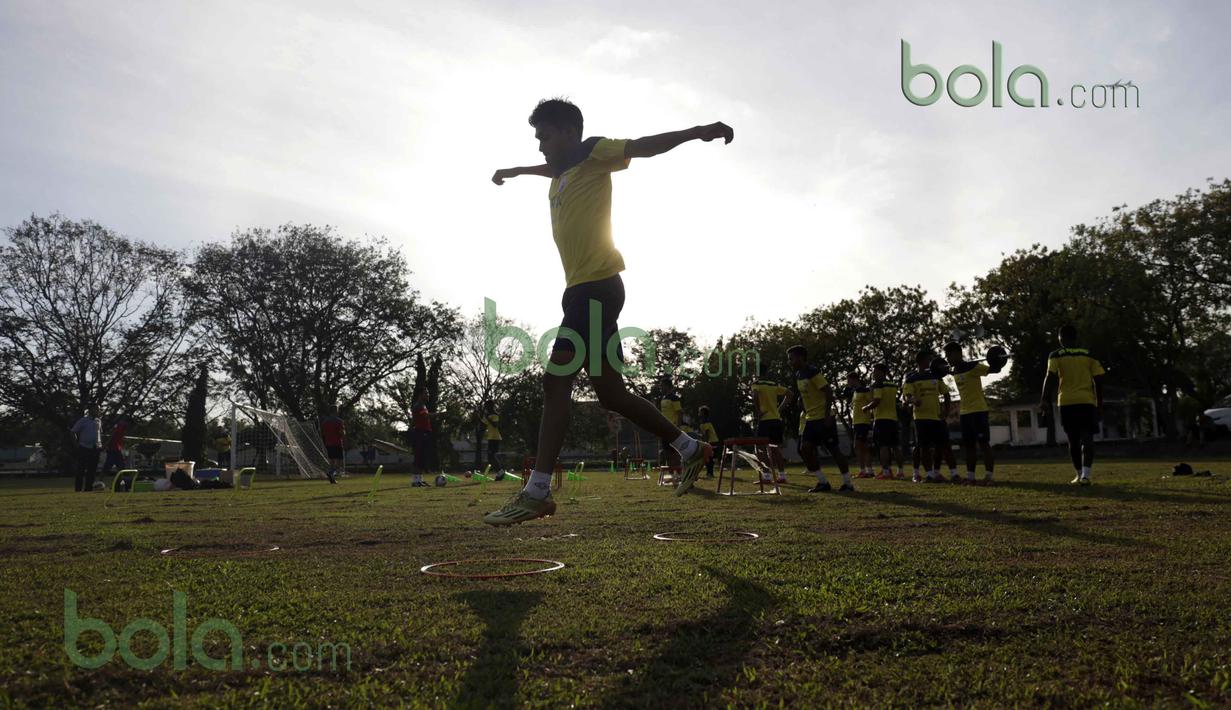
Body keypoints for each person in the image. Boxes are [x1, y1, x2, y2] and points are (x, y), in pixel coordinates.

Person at [483, 98, 729, 525]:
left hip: (595, 287)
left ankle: (537, 490)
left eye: (544, 135)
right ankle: (691, 448)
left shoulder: (594, 152)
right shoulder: (562, 170)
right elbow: (549, 169)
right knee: (610, 394)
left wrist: (695, 132)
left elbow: (642, 145)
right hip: (583, 290)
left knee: (555, 380)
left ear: (567, 132)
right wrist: (517, 171)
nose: (540, 145)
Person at [1039, 324, 1105, 485]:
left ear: (1061, 338)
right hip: (1087, 401)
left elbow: (1050, 377)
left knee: (1073, 440)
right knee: (1087, 438)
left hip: (1067, 402)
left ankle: (1078, 474)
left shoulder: (1056, 355)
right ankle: (1086, 475)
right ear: (1075, 337)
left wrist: (1044, 399)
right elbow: (1099, 380)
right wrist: (1099, 403)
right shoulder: (1089, 355)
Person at [782, 346, 853, 493]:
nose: (790, 361)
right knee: (804, 449)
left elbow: (828, 392)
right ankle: (822, 482)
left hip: (823, 417)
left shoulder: (812, 371)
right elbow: (807, 392)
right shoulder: (798, 374)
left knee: (834, 451)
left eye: (791, 358)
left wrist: (827, 415)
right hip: (811, 419)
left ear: (801, 357)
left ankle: (848, 483)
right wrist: (801, 401)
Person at [944, 341, 1000, 485]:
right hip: (965, 413)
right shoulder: (955, 370)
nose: (947, 359)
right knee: (968, 446)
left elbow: (994, 370)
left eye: (948, 355)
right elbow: (942, 370)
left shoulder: (973, 366)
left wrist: (996, 359)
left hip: (979, 411)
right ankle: (970, 477)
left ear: (957, 353)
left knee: (983, 444)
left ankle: (989, 477)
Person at [902, 350, 957, 483]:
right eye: (929, 360)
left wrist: (946, 412)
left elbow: (946, 394)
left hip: (937, 418)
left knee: (944, 446)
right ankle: (930, 475)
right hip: (921, 418)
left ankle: (954, 474)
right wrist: (914, 400)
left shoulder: (936, 376)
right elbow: (907, 397)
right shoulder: (911, 378)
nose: (931, 363)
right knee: (924, 447)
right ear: (922, 361)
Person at [864, 363, 905, 480]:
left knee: (883, 446)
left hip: (882, 419)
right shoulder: (892, 384)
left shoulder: (878, 385)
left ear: (882, 372)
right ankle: (900, 471)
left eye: (875, 371)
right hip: (893, 419)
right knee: (896, 446)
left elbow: (877, 401)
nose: (873, 374)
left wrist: (866, 407)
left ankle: (886, 472)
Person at [751, 376, 790, 483]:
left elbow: (754, 395)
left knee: (761, 449)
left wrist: (758, 411)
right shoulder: (773, 384)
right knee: (776, 449)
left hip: (765, 420)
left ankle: (767, 477)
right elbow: (790, 394)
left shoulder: (756, 384)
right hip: (776, 420)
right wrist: (778, 410)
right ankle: (782, 476)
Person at [846, 373, 874, 478]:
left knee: (861, 446)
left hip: (863, 422)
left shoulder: (865, 390)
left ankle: (868, 471)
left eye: (849, 380)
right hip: (856, 422)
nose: (847, 383)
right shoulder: (855, 392)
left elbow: (872, 402)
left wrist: (866, 408)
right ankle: (865, 470)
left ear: (854, 379)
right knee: (859, 446)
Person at [70, 406, 102, 492]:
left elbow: (99, 433)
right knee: (81, 469)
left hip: (95, 448)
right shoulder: (83, 420)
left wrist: (100, 444)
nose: (98, 411)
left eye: (98, 410)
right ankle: (78, 489)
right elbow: (73, 432)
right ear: (91, 410)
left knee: (92, 470)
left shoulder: (98, 421)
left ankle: (88, 488)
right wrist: (76, 444)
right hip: (84, 447)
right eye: (96, 409)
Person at [410, 388, 436, 487]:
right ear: (420, 394)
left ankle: (419, 480)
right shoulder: (418, 406)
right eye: (426, 393)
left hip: (425, 432)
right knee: (418, 456)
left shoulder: (423, 406)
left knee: (423, 457)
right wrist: (440, 414)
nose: (428, 395)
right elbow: (426, 416)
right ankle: (415, 481)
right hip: (420, 432)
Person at [658, 379, 684, 469]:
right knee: (666, 451)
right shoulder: (663, 398)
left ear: (667, 386)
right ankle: (672, 473)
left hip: (672, 428)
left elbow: (680, 412)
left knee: (674, 452)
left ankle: (679, 472)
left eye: (662, 385)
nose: (660, 387)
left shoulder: (674, 398)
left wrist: (678, 427)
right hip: (664, 428)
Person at [319, 405, 345, 484]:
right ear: (335, 411)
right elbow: (341, 432)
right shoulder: (339, 421)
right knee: (340, 462)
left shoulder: (325, 422)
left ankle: (332, 478)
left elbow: (322, 433)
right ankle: (331, 473)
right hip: (337, 443)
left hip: (328, 443)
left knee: (332, 461)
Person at [99, 415, 130, 480]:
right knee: (109, 466)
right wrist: (106, 445)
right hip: (113, 449)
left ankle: (120, 481)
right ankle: (100, 480)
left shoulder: (120, 427)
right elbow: (112, 436)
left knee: (120, 466)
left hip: (116, 449)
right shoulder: (121, 426)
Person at [697, 406, 720, 478]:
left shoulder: (706, 423)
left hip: (712, 442)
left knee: (709, 458)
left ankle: (710, 473)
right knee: (707, 458)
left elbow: (706, 434)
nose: (699, 413)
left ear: (703, 413)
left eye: (700, 411)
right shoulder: (702, 423)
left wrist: (705, 444)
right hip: (709, 442)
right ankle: (709, 473)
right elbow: (703, 434)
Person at [483, 402, 503, 473]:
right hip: (490, 438)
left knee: (491, 455)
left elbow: (495, 425)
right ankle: (499, 471)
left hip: (495, 437)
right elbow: (484, 425)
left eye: (486, 406)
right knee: (490, 457)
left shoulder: (495, 415)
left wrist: (487, 418)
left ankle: (500, 471)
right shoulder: (488, 415)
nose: (485, 408)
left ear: (490, 407)